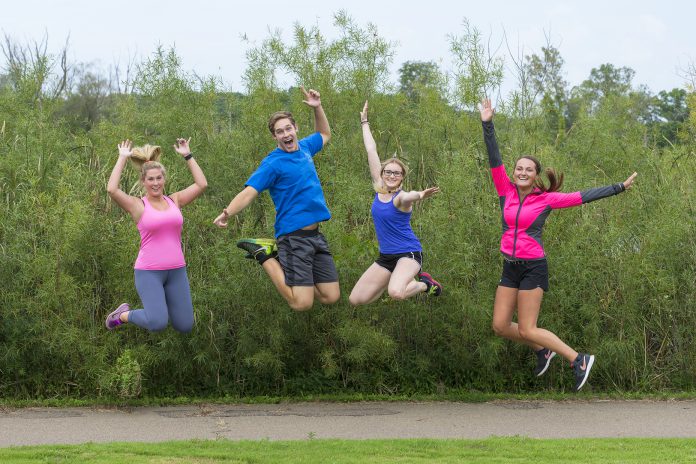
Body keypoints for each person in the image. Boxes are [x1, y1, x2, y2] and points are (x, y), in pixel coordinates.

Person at [479, 98, 637, 392]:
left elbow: (583, 196)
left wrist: (618, 188)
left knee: (528, 328)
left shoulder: (546, 200)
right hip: (509, 267)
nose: (522, 172)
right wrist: (487, 124)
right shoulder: (505, 190)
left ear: (536, 175)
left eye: (528, 169)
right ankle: (542, 350)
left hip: (533, 268)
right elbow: (494, 158)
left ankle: (578, 359)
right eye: (519, 168)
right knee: (500, 326)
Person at [213, 87, 339, 311]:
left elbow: (325, 133)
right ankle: (263, 255)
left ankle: (276, 257)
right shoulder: (273, 163)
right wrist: (227, 213)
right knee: (301, 304)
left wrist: (318, 107)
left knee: (330, 296)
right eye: (280, 132)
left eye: (288, 129)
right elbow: (249, 192)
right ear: (274, 136)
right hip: (293, 237)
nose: (286, 134)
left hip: (315, 236)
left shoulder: (306, 148)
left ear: (295, 128)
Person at [105, 138, 207, 332]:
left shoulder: (174, 200)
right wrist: (122, 158)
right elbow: (112, 189)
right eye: (150, 179)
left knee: (185, 325)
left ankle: (160, 307)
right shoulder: (137, 205)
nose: (155, 183)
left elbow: (201, 184)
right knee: (157, 323)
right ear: (143, 181)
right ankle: (122, 316)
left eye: (159, 178)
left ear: (164, 179)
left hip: (177, 270)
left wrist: (187, 155)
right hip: (149, 272)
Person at [348, 101, 442, 306]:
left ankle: (426, 284)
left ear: (401, 178)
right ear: (382, 174)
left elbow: (409, 197)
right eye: (388, 172)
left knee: (396, 293)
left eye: (396, 173)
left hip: (408, 254)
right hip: (387, 257)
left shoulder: (400, 198)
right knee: (356, 299)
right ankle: (392, 282)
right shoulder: (379, 188)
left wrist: (420, 195)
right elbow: (371, 150)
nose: (391, 175)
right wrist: (364, 122)